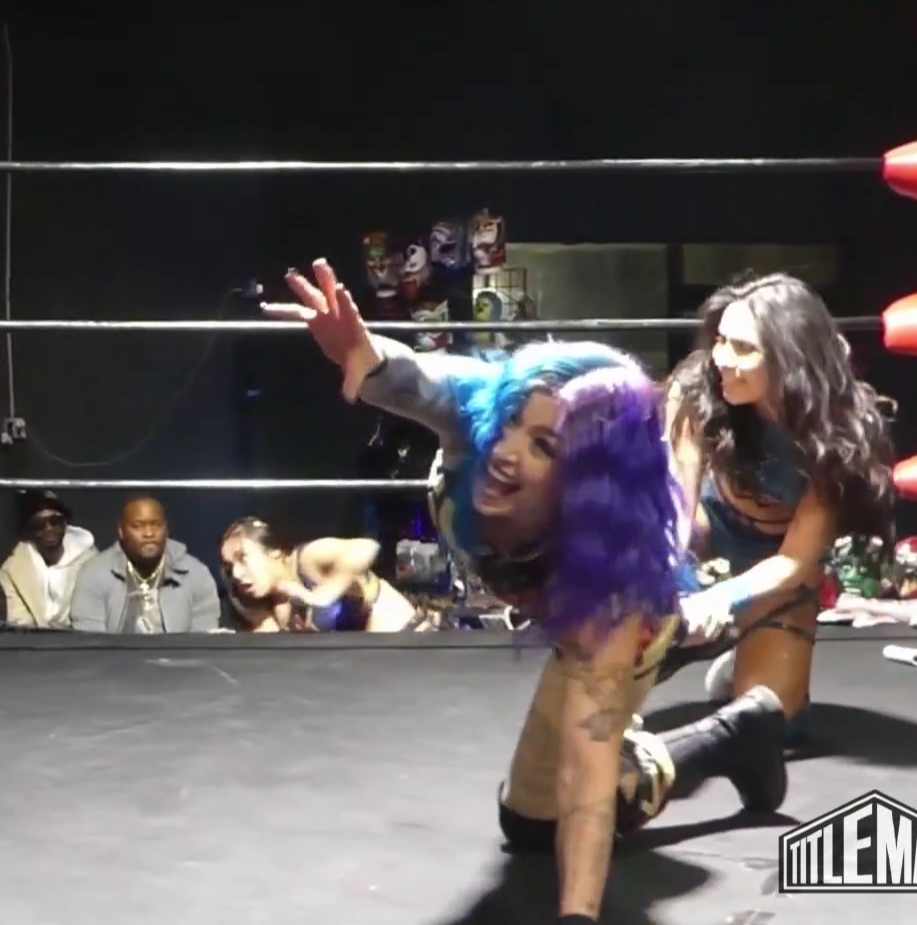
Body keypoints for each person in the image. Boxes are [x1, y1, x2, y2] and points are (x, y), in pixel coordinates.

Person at [265, 259, 788, 924]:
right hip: (558, 602)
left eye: (542, 445)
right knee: (528, 818)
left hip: (629, 621)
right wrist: (362, 354)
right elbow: (409, 377)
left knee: (545, 817)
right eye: (512, 422)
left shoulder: (611, 591)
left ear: (586, 481)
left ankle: (731, 735)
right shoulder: (479, 413)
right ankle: (732, 724)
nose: (506, 452)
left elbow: (587, 781)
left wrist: (577, 917)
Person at [667, 274, 896, 730]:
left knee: (772, 724)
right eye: (720, 341)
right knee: (626, 638)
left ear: (789, 359)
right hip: (709, 523)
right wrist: (667, 589)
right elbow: (675, 511)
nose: (722, 359)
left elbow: (793, 559)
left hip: (779, 559)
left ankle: (746, 643)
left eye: (743, 348)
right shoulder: (696, 390)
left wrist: (723, 599)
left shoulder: (840, 431)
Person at [219, 518, 425, 632]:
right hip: (362, 669)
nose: (236, 573)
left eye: (243, 558)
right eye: (230, 567)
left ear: (273, 551)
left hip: (406, 641)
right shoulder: (269, 602)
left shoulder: (307, 560)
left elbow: (367, 547)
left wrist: (321, 596)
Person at [70, 497, 222, 634]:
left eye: (156, 525)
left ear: (167, 529)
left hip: (180, 656)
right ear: (121, 531)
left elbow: (202, 640)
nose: (149, 534)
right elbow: (90, 641)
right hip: (114, 656)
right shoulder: (94, 574)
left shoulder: (195, 573)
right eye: (137, 526)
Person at [0, 490, 98, 629]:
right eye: (39, 524)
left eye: (55, 522)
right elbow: (19, 624)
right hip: (32, 641)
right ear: (29, 530)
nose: (49, 528)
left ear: (65, 523)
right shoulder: (12, 570)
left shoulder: (92, 563)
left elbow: (89, 619)